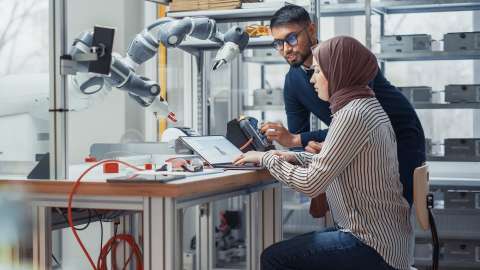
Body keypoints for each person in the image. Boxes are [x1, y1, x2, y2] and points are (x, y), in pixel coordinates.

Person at [234, 36, 413, 270]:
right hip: (387, 240)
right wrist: (294, 156)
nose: (312, 79)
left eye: (318, 71)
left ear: (338, 72)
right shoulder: (365, 106)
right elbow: (339, 161)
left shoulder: (351, 115)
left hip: (373, 245)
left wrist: (266, 158)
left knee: (275, 258)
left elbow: (311, 184)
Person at [260, 5, 425, 212]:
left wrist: (299, 140)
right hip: (357, 141)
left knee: (389, 213)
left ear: (311, 30)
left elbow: (359, 122)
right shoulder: (293, 81)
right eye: (278, 43)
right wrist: (309, 157)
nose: (285, 49)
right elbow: (301, 137)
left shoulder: (343, 58)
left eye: (291, 39)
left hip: (399, 138)